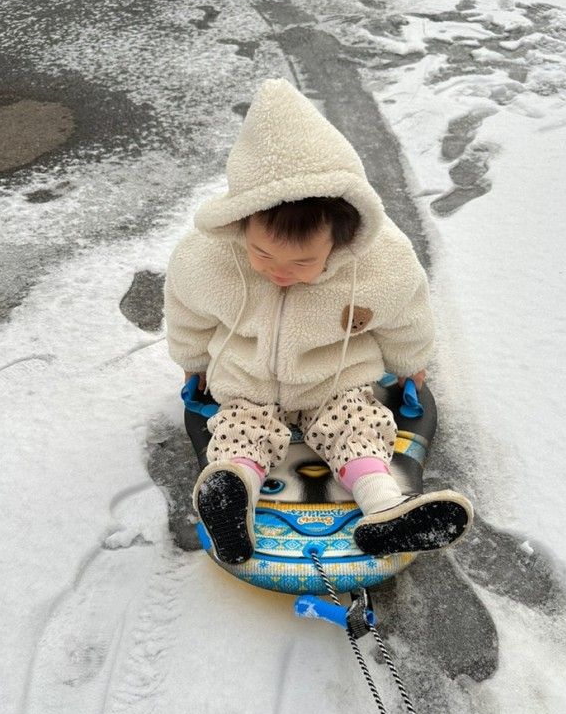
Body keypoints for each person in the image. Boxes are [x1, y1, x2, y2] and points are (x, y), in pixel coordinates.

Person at [164, 77, 472, 564]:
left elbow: (405, 312)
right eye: (262, 254)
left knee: (357, 428)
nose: (278, 272)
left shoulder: (378, 263)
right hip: (248, 382)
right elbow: (187, 311)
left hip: (336, 380)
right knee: (242, 428)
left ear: (341, 238)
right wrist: (193, 361)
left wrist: (410, 362)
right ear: (242, 222)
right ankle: (231, 493)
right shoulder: (210, 260)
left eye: (302, 264)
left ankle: (387, 511)